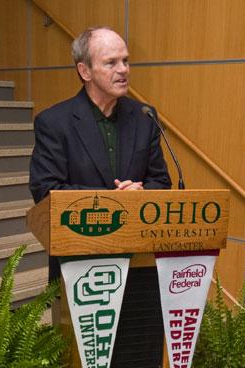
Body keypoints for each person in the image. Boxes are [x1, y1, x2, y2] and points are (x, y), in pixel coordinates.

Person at [29, 26, 171, 279]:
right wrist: (113, 201)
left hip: (137, 260)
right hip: (78, 264)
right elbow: (45, 191)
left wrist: (141, 193)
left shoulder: (144, 117)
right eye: (111, 63)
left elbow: (161, 181)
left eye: (126, 61)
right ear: (85, 71)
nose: (123, 70)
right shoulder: (54, 122)